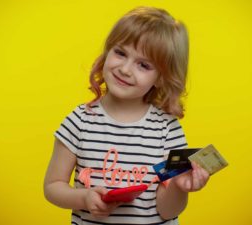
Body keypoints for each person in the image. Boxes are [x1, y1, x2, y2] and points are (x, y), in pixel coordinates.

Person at [44, 6, 210, 225]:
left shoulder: (167, 128)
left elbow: (168, 211)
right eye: (120, 53)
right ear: (107, 51)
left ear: (161, 78)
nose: (125, 69)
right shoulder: (80, 121)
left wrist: (180, 188)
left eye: (143, 65)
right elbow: (53, 186)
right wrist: (83, 197)